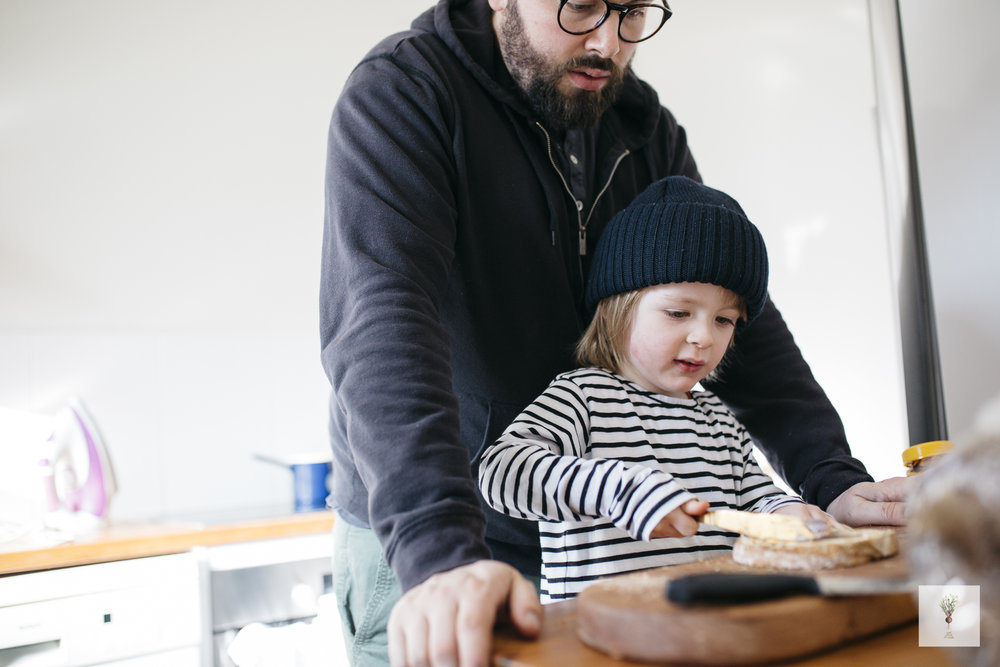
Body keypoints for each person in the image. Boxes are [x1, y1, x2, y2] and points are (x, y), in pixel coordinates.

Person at [319, 0, 909, 664]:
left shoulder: (640, 125)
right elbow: (381, 322)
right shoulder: (405, 93)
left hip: (600, 554)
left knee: (953, 622)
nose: (609, 41)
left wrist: (829, 477)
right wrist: (437, 551)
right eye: (581, 6)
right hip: (436, 536)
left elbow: (727, 297)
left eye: (632, 11)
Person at [478, 175, 835, 601]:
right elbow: (502, 472)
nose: (704, 336)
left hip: (704, 636)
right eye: (679, 311)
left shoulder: (719, 421)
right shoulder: (583, 397)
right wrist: (618, 490)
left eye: (724, 320)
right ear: (619, 308)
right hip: (600, 642)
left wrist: (787, 512)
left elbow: (757, 497)